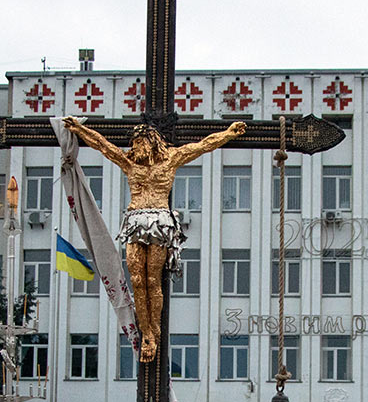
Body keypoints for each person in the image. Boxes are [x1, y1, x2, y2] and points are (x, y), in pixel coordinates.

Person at [62, 117, 246, 361]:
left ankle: (154, 333)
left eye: (139, 142)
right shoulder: (129, 162)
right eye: (134, 142)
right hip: (135, 221)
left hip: (159, 222)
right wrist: (80, 129)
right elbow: (103, 145)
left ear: (152, 141)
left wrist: (229, 134)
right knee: (137, 279)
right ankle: (145, 330)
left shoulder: (172, 158)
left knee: (151, 279)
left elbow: (203, 145)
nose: (135, 147)